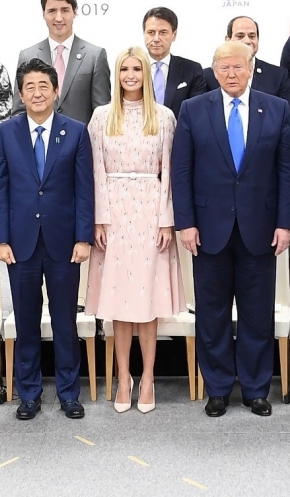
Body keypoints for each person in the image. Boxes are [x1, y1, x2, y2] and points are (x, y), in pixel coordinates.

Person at [174, 41, 290, 418]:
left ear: (250, 69)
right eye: (223, 68)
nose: (231, 74)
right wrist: (186, 223)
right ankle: (218, 389)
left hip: (260, 229)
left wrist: (284, 224)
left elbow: (287, 171)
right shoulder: (194, 109)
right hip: (208, 230)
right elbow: (181, 171)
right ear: (214, 71)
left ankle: (257, 389)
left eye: (238, 67)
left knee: (256, 314)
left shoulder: (276, 109)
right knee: (211, 315)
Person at [0, 59, 96, 420]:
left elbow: (85, 189)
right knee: (26, 320)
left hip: (64, 242)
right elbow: (0, 189)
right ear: (21, 94)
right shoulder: (5, 132)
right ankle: (29, 393)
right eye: (29, 87)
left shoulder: (77, 131)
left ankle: (69, 393)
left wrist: (84, 238)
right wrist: (0, 239)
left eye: (43, 86)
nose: (37, 93)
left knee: (65, 321)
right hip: (20, 243)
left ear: (55, 91)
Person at [87, 46, 182, 414]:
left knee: (146, 302)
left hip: (149, 214)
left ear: (146, 74)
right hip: (113, 215)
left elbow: (169, 172)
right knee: (119, 303)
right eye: (124, 69)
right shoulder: (101, 117)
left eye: (137, 69)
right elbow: (95, 170)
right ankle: (123, 377)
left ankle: (148, 378)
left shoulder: (164, 116)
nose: (130, 75)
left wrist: (166, 220)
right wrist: (99, 218)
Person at [19, 0, 111, 123]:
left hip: (81, 143)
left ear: (75, 12)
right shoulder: (27, 56)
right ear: (43, 14)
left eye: (65, 10)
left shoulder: (95, 56)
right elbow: (19, 110)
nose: (59, 18)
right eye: (52, 11)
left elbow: (102, 114)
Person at [197, 16, 290, 109]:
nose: (247, 41)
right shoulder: (208, 76)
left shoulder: (278, 76)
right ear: (228, 39)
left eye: (252, 36)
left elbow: (286, 118)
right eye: (240, 36)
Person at [143, 7, 205, 118]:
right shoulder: (133, 69)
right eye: (151, 32)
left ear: (174, 35)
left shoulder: (191, 69)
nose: (156, 39)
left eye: (163, 32)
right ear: (144, 34)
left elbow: (197, 113)